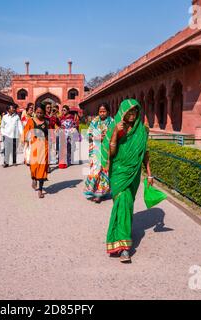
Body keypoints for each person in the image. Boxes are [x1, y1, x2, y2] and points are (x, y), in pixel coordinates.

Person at [101, 99, 153, 264]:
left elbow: (145, 153)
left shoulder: (142, 130)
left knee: (127, 204)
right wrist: (116, 132)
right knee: (123, 201)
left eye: (135, 112)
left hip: (134, 173)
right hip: (119, 172)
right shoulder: (115, 127)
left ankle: (121, 234)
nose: (132, 115)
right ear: (123, 112)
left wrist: (149, 174)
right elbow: (111, 152)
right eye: (129, 112)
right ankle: (124, 247)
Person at [84, 103, 114, 203]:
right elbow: (88, 134)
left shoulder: (112, 122)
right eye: (100, 111)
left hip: (106, 150)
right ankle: (95, 191)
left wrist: (106, 137)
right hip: (95, 150)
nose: (102, 113)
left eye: (104, 111)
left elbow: (115, 135)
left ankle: (100, 193)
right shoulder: (95, 121)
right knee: (95, 171)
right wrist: (96, 137)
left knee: (104, 171)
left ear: (108, 111)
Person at [23, 105, 49, 199]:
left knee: (42, 168)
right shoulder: (31, 121)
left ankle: (40, 190)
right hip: (34, 147)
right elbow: (26, 131)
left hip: (44, 147)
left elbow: (50, 134)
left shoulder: (47, 122)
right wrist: (25, 142)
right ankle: (34, 178)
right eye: (37, 112)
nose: (39, 114)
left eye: (41, 113)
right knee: (33, 167)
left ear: (44, 113)